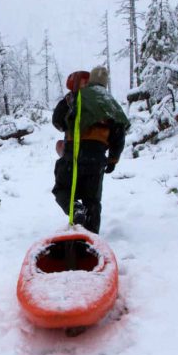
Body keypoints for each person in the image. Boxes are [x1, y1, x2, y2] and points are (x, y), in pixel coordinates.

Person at [51, 66, 130, 234]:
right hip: (97, 158)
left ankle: (75, 210)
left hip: (73, 155)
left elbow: (58, 120)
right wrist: (113, 160)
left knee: (61, 189)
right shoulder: (111, 103)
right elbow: (119, 134)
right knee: (92, 201)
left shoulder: (76, 97)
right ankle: (91, 240)